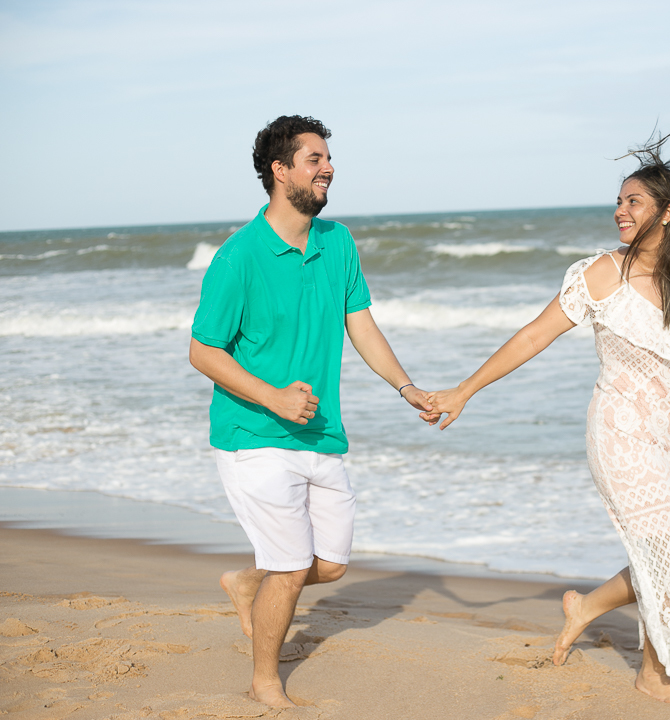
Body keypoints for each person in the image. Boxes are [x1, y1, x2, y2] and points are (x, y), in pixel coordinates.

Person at [426, 133, 670, 703]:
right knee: (667, 546)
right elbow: (534, 334)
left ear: (666, 213)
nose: (620, 210)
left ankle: (587, 606)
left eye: (633, 201)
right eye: (618, 201)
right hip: (619, 431)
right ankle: (652, 674)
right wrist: (464, 390)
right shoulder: (601, 275)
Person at [189, 115, 432, 708]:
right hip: (252, 435)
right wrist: (272, 396)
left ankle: (248, 581)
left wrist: (407, 387)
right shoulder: (239, 257)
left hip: (321, 435)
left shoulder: (337, 242)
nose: (328, 169)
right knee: (293, 567)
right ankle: (264, 682)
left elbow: (360, 325)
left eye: (327, 159)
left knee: (329, 564)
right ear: (279, 170)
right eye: (314, 159)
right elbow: (202, 350)